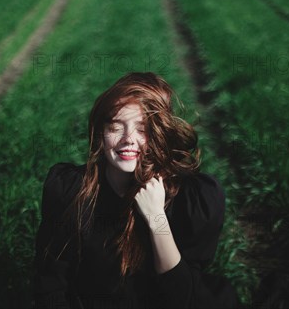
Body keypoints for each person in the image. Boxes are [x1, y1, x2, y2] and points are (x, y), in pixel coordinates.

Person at [33, 72, 238, 308]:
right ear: (100, 134)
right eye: (115, 127)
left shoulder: (190, 200)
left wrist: (156, 217)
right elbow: (50, 286)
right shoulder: (72, 191)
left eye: (142, 129)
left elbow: (182, 298)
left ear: (160, 134)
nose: (128, 139)